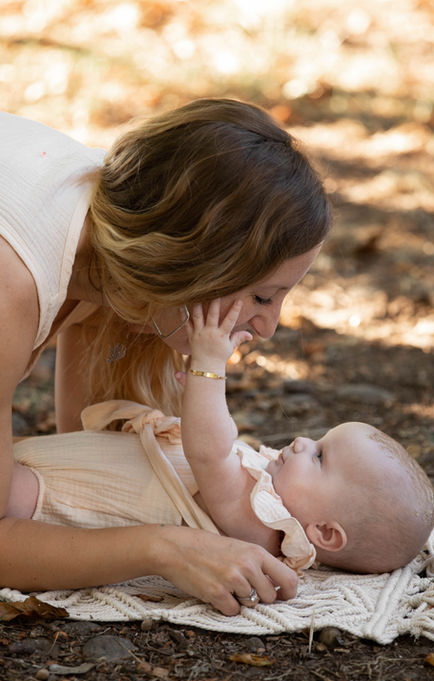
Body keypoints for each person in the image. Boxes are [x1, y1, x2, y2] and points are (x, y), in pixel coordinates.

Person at [0, 97, 331, 614]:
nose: (268, 327)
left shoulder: (107, 239)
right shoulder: (10, 282)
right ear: (193, 265)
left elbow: (93, 452)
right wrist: (164, 548)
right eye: (263, 297)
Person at [12, 300, 434, 592]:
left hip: (60, 494)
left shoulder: (265, 529)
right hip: (71, 462)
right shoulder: (268, 489)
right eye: (319, 440)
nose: (304, 441)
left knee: (9, 492)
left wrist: (210, 368)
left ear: (323, 533)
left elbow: (209, 454)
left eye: (321, 457)